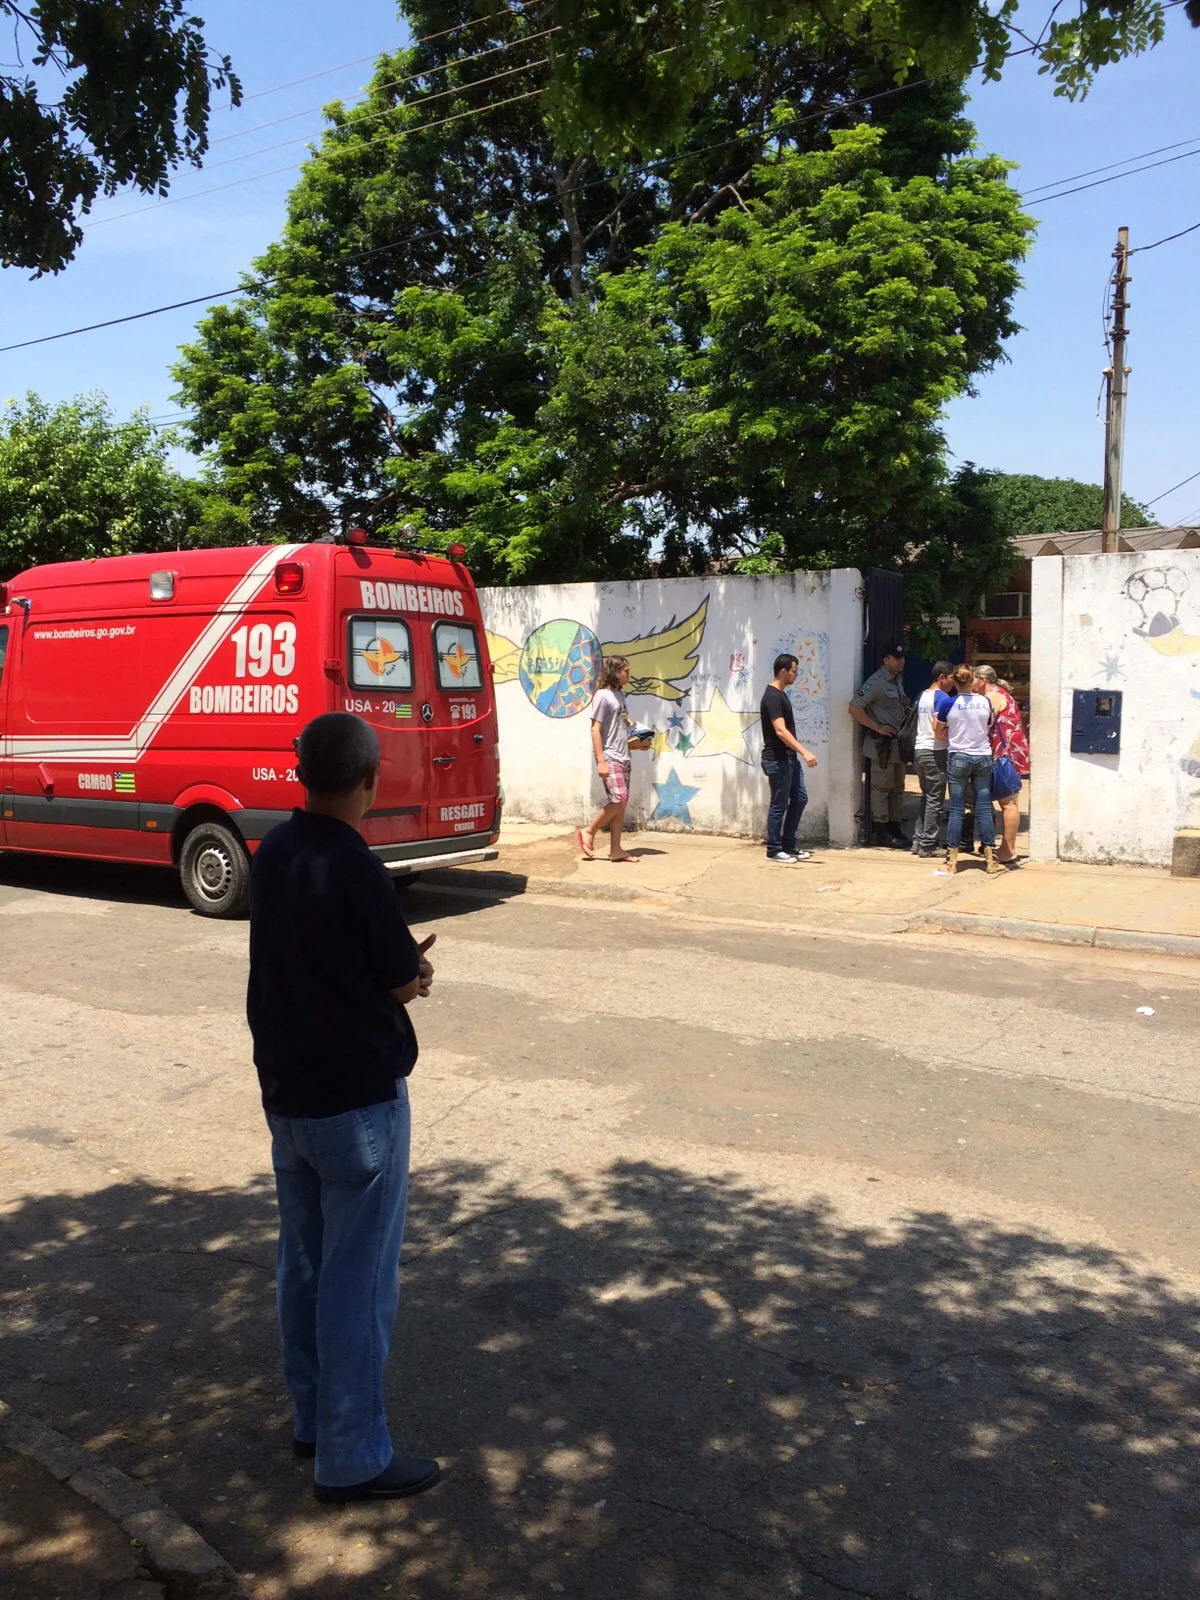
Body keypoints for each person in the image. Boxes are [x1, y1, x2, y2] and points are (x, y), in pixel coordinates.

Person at [247, 712, 441, 1504]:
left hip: (288, 1093)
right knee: (356, 1282)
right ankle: (354, 1454)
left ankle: (313, 1420)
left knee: (304, 1264)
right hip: (356, 1100)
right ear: (369, 781)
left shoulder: (276, 849)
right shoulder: (355, 862)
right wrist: (417, 977)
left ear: (303, 774)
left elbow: (309, 954)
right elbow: (398, 980)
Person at [935, 666, 1005, 876]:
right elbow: (989, 725)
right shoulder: (985, 701)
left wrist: (950, 734)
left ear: (955, 682)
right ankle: (991, 860)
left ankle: (951, 861)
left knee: (956, 807)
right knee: (983, 807)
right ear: (972, 679)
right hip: (982, 756)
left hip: (958, 757)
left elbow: (938, 733)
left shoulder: (949, 703)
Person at [759, 653, 820, 863]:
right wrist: (804, 751)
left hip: (788, 759)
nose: (797, 674)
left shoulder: (780, 694)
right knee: (779, 804)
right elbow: (780, 731)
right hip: (777, 759)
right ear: (783, 671)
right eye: (794, 670)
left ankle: (788, 845)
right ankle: (774, 850)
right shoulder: (773, 697)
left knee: (800, 798)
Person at [849, 644, 909, 848]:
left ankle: (894, 828)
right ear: (886, 660)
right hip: (880, 745)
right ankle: (881, 831)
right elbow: (854, 708)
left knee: (897, 787)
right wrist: (877, 727)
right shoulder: (876, 682)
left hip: (896, 745)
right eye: (897, 658)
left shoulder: (897, 680)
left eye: (902, 658)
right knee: (881, 788)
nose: (902, 661)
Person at [579, 656, 638, 863]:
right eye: (625, 671)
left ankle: (616, 850)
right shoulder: (603, 696)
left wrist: (635, 731)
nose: (629, 675)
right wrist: (601, 761)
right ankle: (589, 831)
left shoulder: (620, 695)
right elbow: (595, 729)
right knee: (618, 799)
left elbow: (621, 722)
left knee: (621, 804)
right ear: (615, 672)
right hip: (610, 757)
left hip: (624, 756)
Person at [976, 663, 1030, 866]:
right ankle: (1003, 847)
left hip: (1002, 755)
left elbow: (983, 724)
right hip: (1009, 753)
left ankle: (1008, 849)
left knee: (1008, 803)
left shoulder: (992, 697)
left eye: (973, 678)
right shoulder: (1000, 694)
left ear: (982, 680)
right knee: (1008, 801)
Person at [911, 661, 956, 859]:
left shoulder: (923, 695)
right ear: (942, 677)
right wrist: (946, 736)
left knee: (926, 797)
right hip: (934, 750)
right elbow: (938, 724)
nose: (953, 683)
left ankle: (918, 840)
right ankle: (928, 844)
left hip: (920, 749)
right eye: (952, 678)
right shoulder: (941, 696)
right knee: (935, 800)